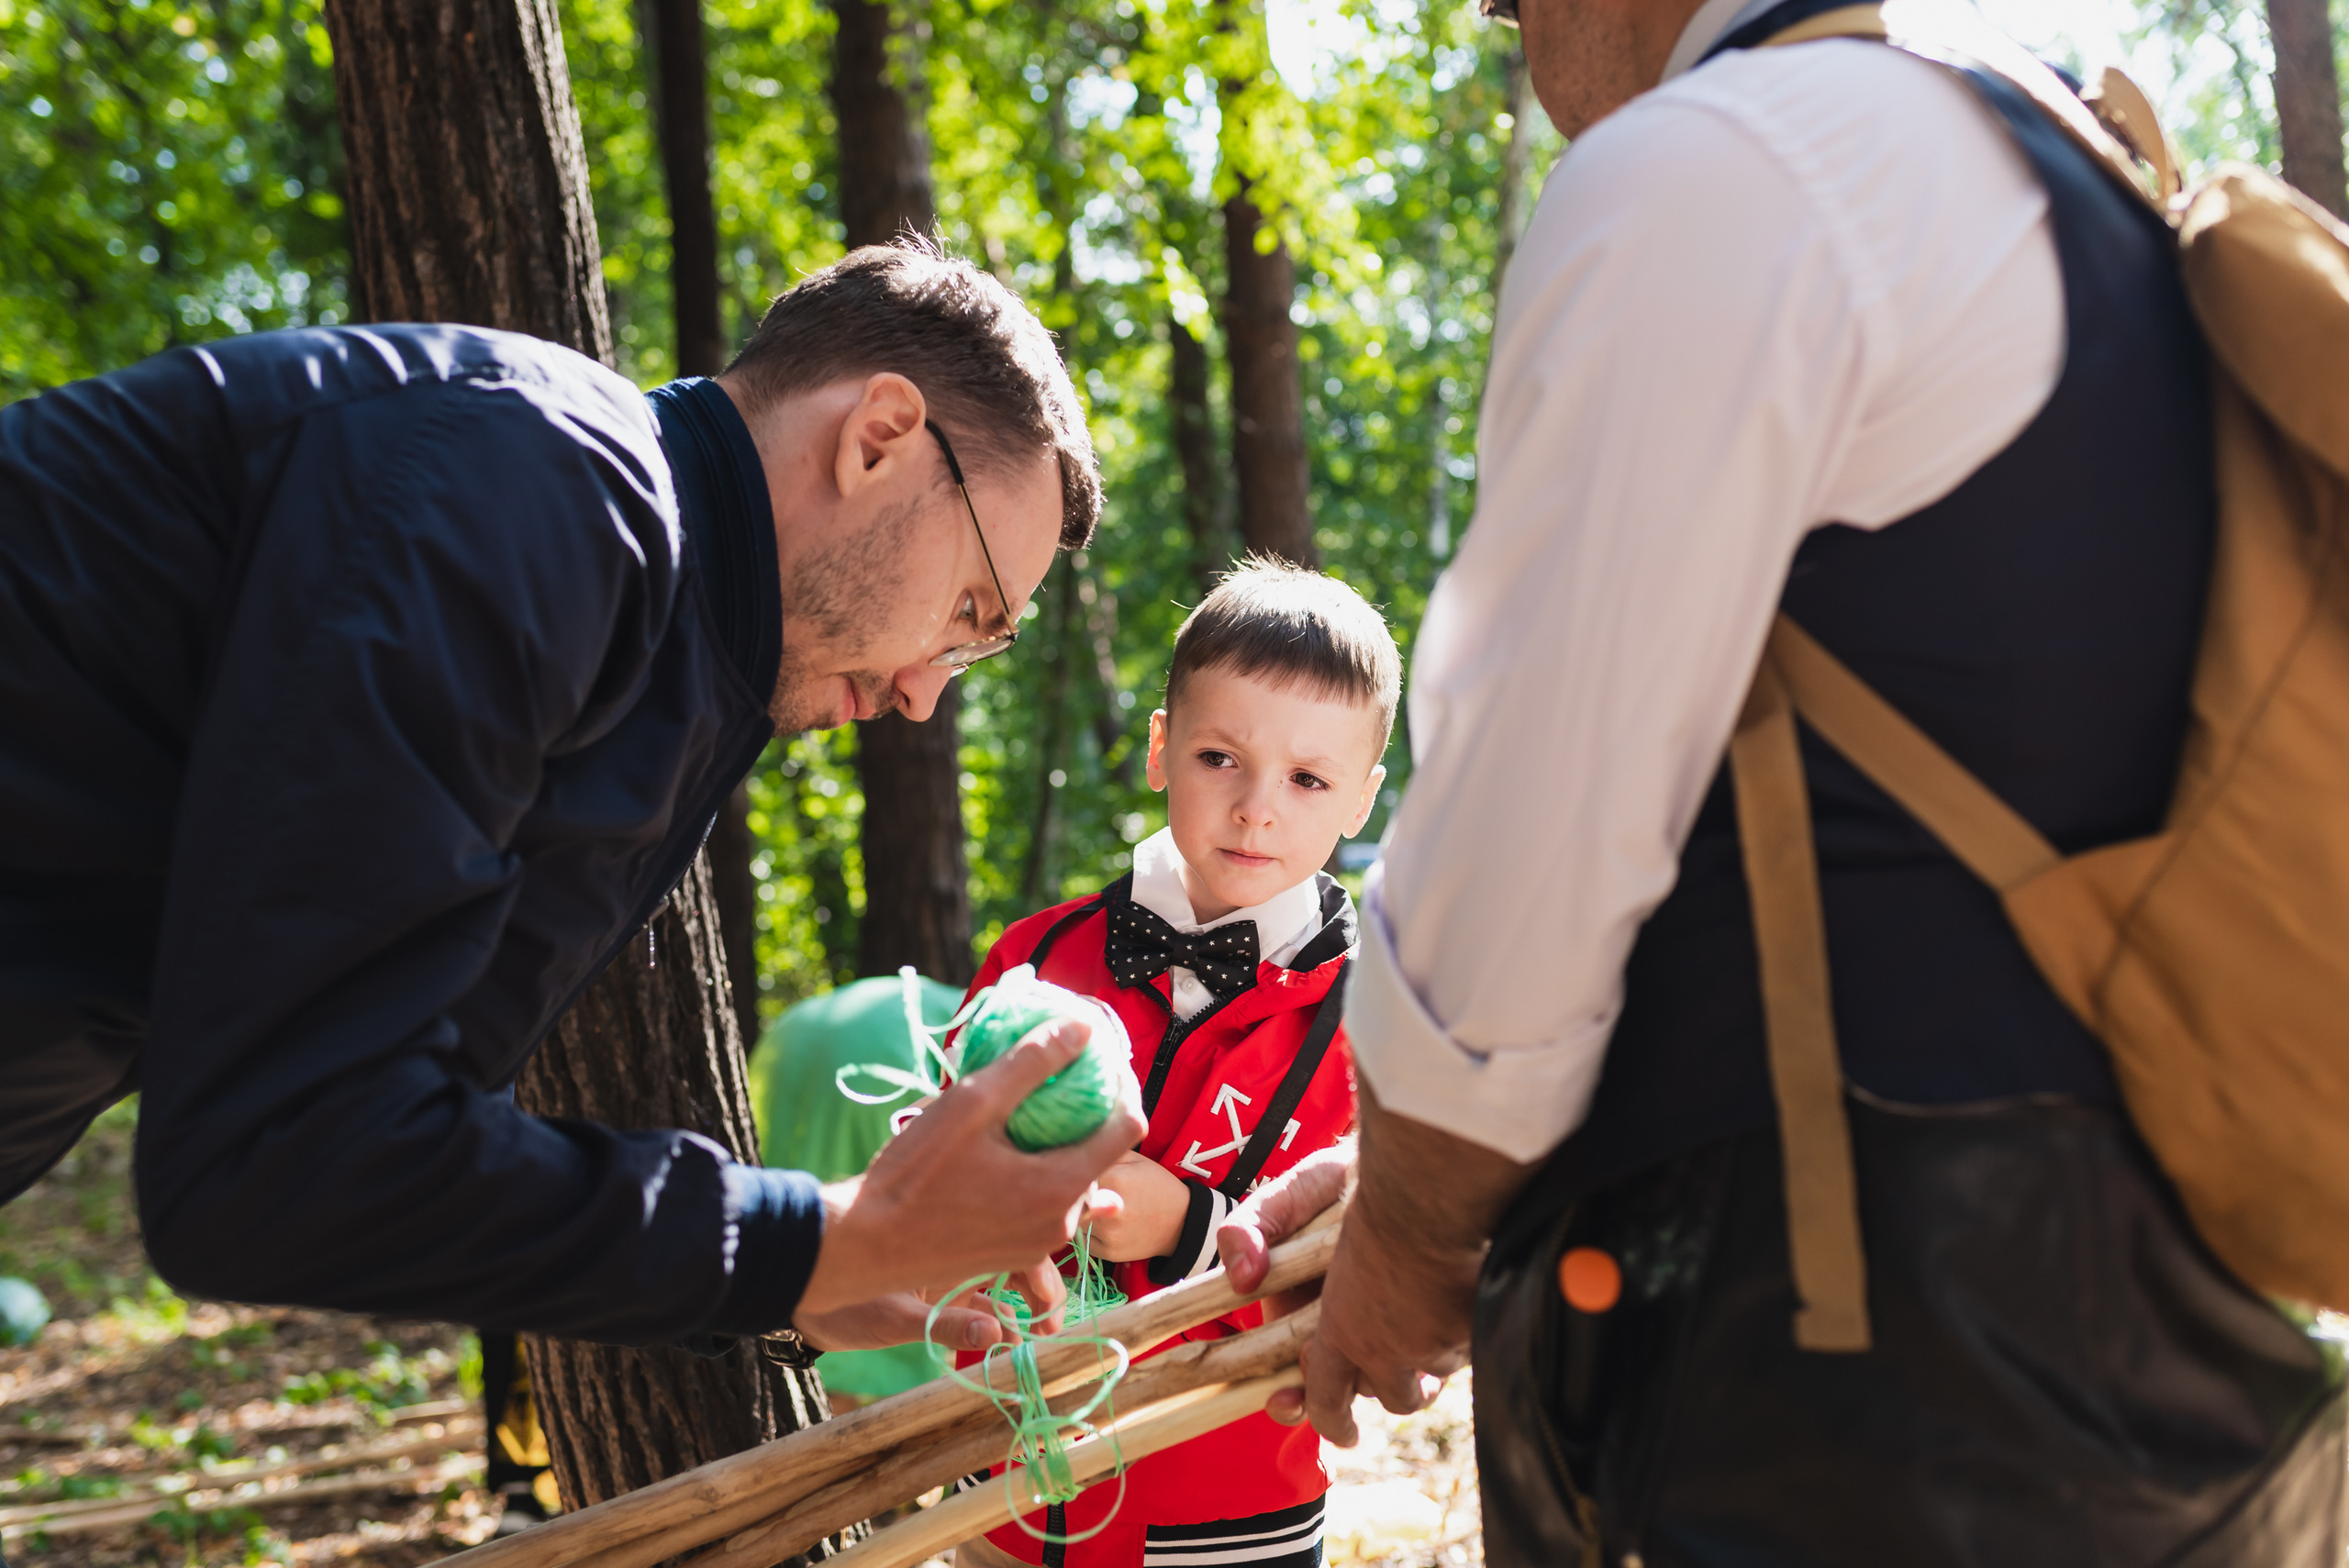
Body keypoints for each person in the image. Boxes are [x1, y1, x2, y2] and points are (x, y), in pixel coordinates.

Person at [1217, 0, 2349, 1562]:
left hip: (1870, 1396)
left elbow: (1524, 862)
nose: (1511, 33)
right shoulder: (2053, 161)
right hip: (2146, 1363)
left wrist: (1412, 1226)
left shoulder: (1717, 169)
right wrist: (1422, 1160)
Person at [0, 239, 1141, 1355]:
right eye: (971, 609)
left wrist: (787, 1274)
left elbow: (377, 1147)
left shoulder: (667, 650)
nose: (925, 693)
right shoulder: (539, 483)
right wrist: (806, 1239)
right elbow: (279, 1155)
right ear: (881, 438)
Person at [955, 562, 1397, 1568]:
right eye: (1219, 756)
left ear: (1361, 800)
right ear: (1160, 748)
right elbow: (940, 1184)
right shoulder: (1030, 957)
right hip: (1002, 1492)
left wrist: (1191, 1227)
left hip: (1229, 1509)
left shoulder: (1381, 1017)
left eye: (1309, 778)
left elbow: (1364, 1267)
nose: (1256, 808)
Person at [751, 973, 966, 1407]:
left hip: (789, 1044)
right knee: (905, 1286)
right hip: (884, 1067)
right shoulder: (990, 1026)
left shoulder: (946, 1004)